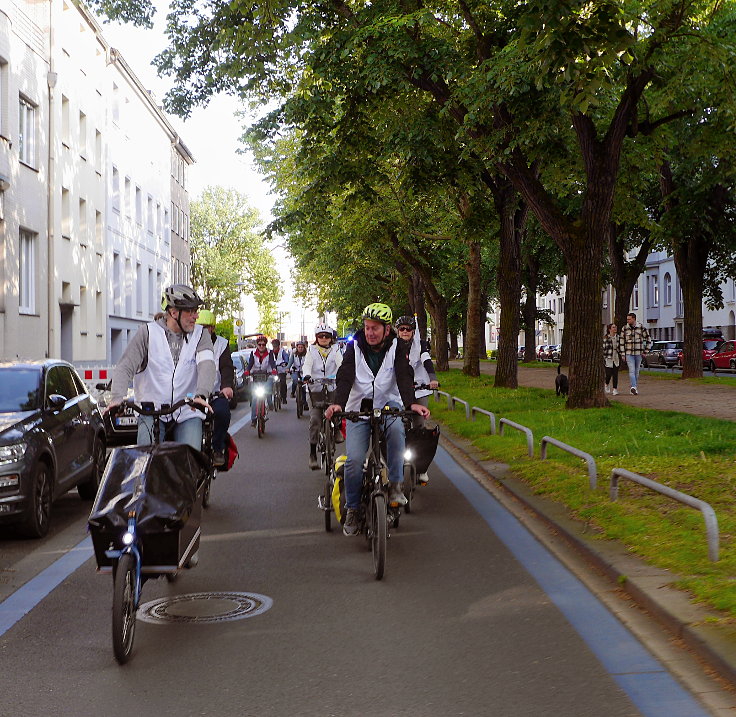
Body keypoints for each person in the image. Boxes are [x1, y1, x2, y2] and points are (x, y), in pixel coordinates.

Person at [324, 303, 431, 536]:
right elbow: (345, 375)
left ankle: (394, 485)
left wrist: (411, 402)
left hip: (388, 404)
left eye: (375, 328)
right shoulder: (354, 347)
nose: (370, 332)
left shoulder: (396, 345)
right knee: (353, 460)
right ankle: (352, 508)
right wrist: (338, 403)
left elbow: (404, 374)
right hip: (358, 409)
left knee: (396, 432)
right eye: (367, 327)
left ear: (386, 328)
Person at [106, 284, 215, 451]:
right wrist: (117, 398)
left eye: (196, 311)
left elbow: (207, 365)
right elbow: (125, 366)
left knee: (190, 458)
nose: (196, 316)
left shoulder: (201, 335)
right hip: (152, 411)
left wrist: (201, 395)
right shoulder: (147, 333)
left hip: (187, 410)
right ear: (173, 312)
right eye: (191, 311)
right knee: (145, 457)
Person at [395, 314, 439, 484]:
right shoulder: (393, 346)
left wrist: (432, 378)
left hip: (419, 390)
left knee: (420, 428)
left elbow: (426, 360)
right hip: (398, 392)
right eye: (402, 329)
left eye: (408, 329)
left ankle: (421, 469)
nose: (405, 332)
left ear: (413, 332)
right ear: (397, 331)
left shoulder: (420, 346)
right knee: (392, 425)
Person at [196, 309, 235, 466]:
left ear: (212, 328)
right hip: (193, 394)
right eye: (199, 327)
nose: (201, 330)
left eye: (205, 327)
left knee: (223, 413)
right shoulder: (188, 342)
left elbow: (226, 367)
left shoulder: (222, 344)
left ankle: (217, 448)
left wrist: (226, 386)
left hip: (215, 392)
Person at [302, 323, 343, 469]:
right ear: (316, 338)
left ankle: (337, 428)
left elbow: (341, 363)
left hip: (332, 387)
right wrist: (307, 375)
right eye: (321, 336)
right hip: (315, 389)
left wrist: (342, 374)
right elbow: (307, 364)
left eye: (327, 336)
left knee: (338, 409)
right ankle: (312, 454)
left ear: (331, 338)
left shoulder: (336, 349)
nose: (324, 338)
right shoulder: (311, 350)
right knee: (315, 420)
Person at [244, 335, 277, 426]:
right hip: (256, 376)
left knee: (268, 390)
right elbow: (250, 364)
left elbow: (272, 362)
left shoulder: (270, 353)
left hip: (267, 375)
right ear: (257, 345)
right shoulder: (253, 353)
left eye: (263, 344)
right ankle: (253, 419)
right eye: (259, 344)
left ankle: (270, 404)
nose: (261, 346)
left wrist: (274, 369)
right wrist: (247, 371)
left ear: (265, 345)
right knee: (255, 397)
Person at [621, 312, 652, 395]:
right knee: (631, 370)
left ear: (634, 319)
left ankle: (634, 387)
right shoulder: (624, 328)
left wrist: (646, 351)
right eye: (627, 319)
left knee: (636, 372)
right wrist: (623, 354)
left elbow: (648, 339)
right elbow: (621, 342)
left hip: (638, 353)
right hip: (629, 353)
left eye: (629, 319)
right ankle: (633, 387)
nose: (627, 320)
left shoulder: (641, 327)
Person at [603, 322, 625, 396]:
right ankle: (606, 384)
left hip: (615, 358)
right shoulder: (605, 338)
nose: (615, 328)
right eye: (613, 327)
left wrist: (622, 354)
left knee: (615, 374)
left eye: (615, 327)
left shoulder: (618, 337)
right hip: (608, 358)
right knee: (608, 374)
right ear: (609, 329)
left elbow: (620, 347)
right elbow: (603, 348)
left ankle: (615, 389)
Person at [270, 338, 290, 404]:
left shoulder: (282, 351)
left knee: (283, 383)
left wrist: (285, 363)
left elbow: (286, 358)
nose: (275, 347)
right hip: (274, 371)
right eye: (273, 346)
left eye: (276, 346)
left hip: (281, 370)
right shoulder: (270, 352)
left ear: (278, 346)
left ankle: (284, 397)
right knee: (270, 383)